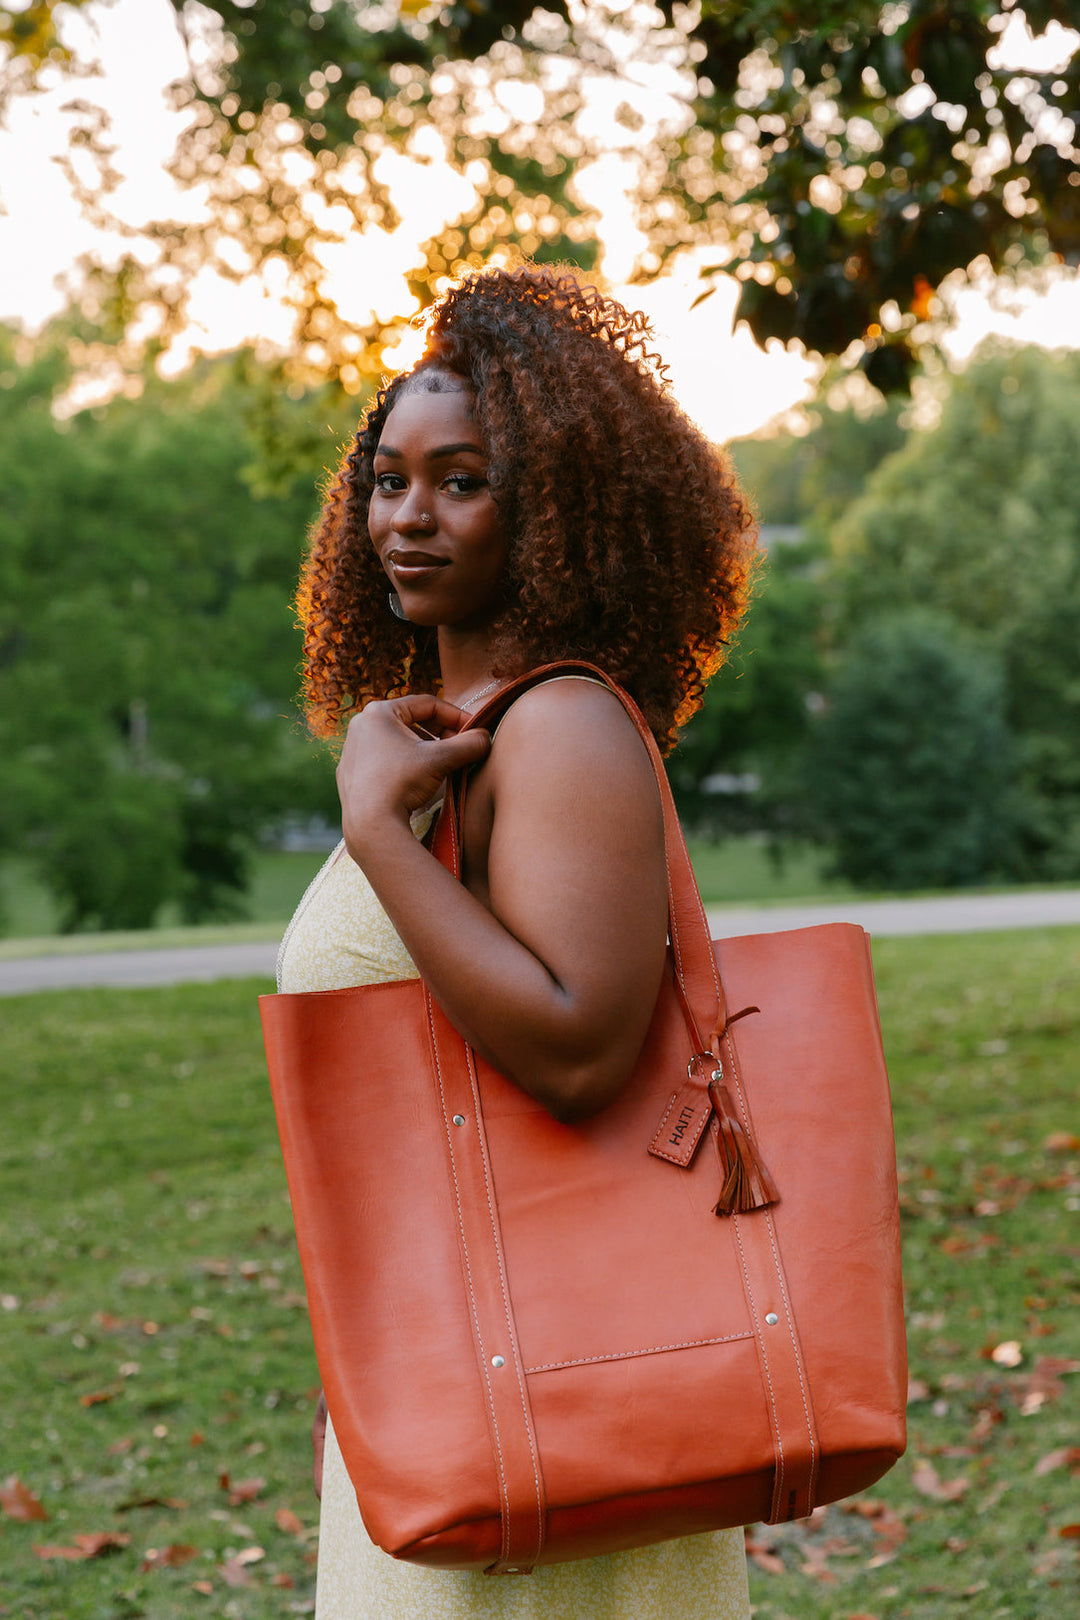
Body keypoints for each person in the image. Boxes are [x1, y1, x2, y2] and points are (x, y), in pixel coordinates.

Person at [277, 264, 758, 1620]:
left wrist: (377, 833)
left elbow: (576, 1048)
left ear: (555, 508)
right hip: (449, 1365)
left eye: (463, 480)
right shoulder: (449, 734)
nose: (407, 518)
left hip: (566, 1385)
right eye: (386, 479)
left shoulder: (562, 731)